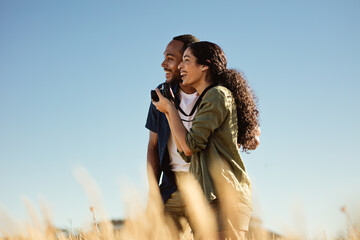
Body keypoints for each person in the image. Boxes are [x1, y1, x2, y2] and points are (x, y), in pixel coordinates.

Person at [152, 41, 260, 239]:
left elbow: (189, 147)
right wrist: (168, 110)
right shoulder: (208, 98)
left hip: (225, 196)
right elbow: (186, 153)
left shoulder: (217, 96)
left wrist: (169, 110)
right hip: (209, 198)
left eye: (186, 60)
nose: (181, 67)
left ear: (204, 66)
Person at [145, 34, 200, 229]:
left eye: (170, 58)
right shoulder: (160, 95)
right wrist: (153, 193)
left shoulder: (213, 95)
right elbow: (153, 146)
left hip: (205, 184)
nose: (163, 64)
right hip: (171, 186)